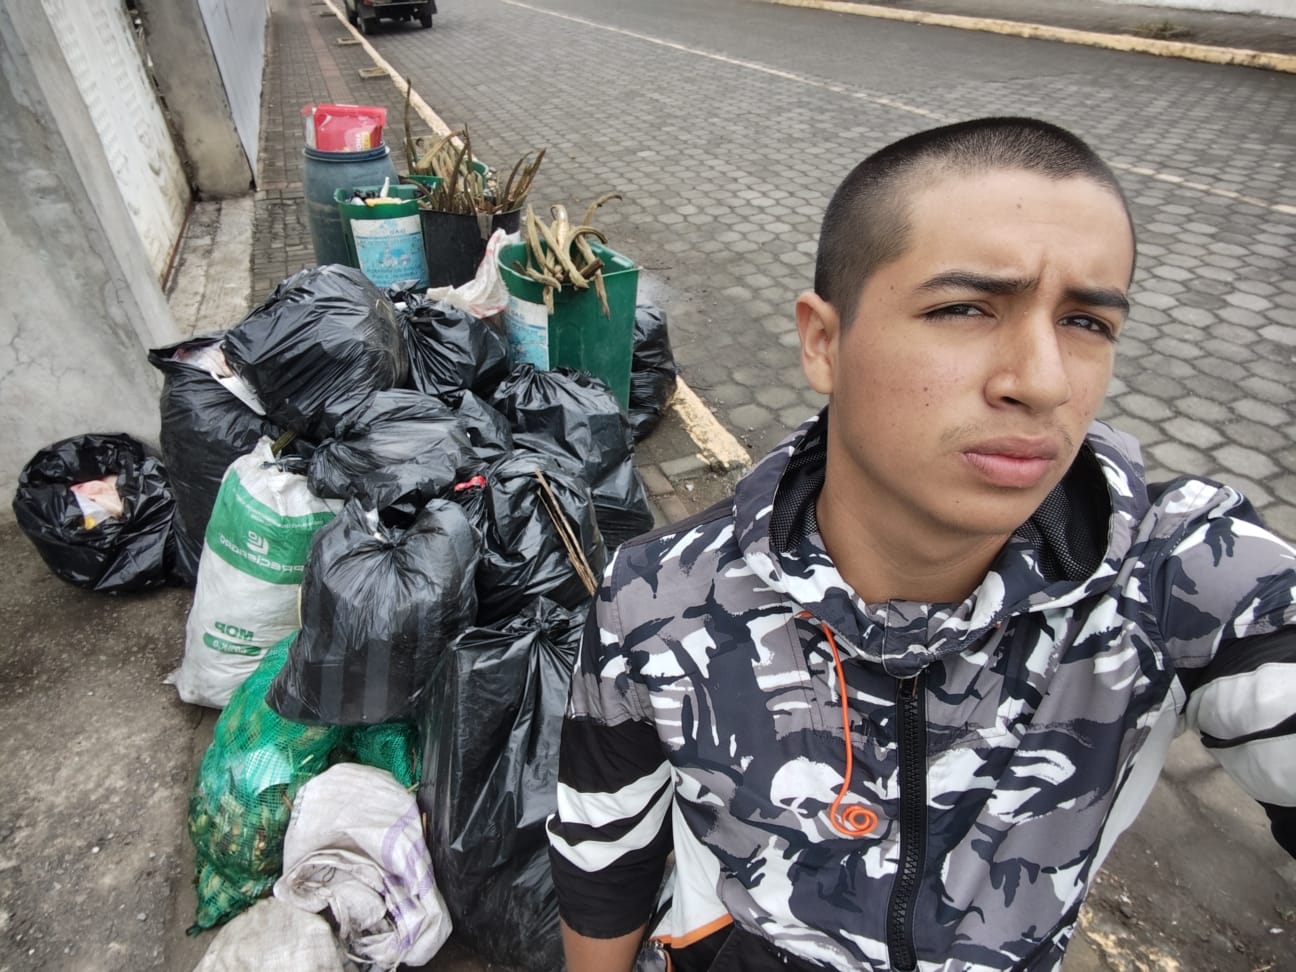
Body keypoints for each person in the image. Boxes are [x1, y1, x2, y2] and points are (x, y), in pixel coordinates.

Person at [545, 117, 1296, 972]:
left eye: (1086, 322)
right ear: (823, 342)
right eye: (965, 308)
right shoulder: (657, 599)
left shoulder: (1171, 581)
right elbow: (605, 849)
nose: (1043, 381)